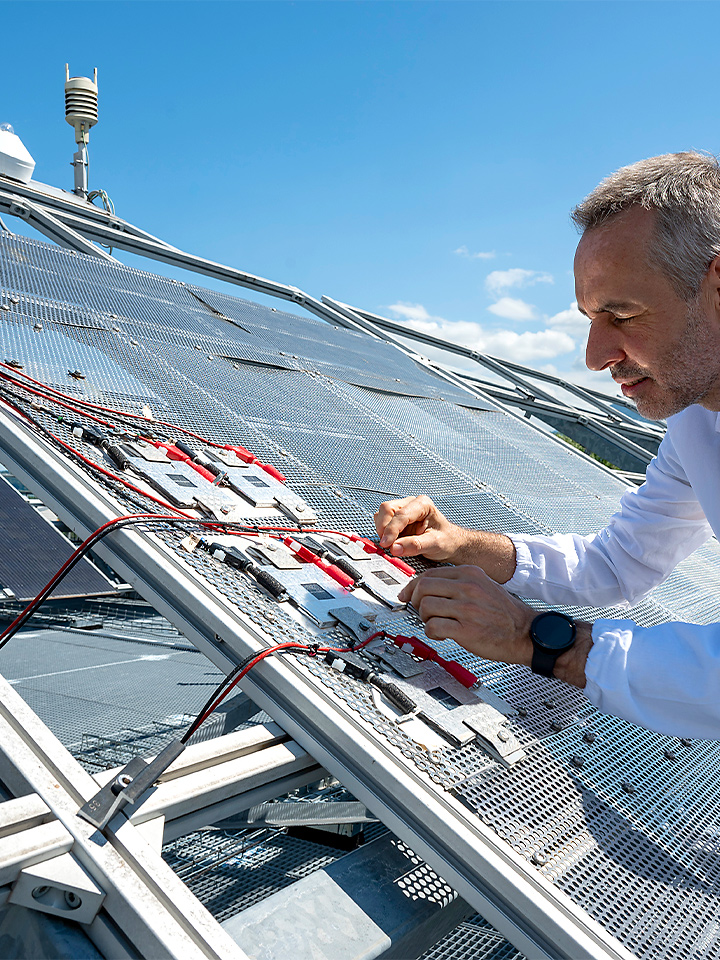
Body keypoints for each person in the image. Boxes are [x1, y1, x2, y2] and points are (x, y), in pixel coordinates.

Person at [375, 152, 720, 740]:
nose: (594, 357)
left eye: (623, 315)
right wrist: (462, 545)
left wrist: (535, 639)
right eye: (590, 319)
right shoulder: (697, 421)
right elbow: (619, 563)